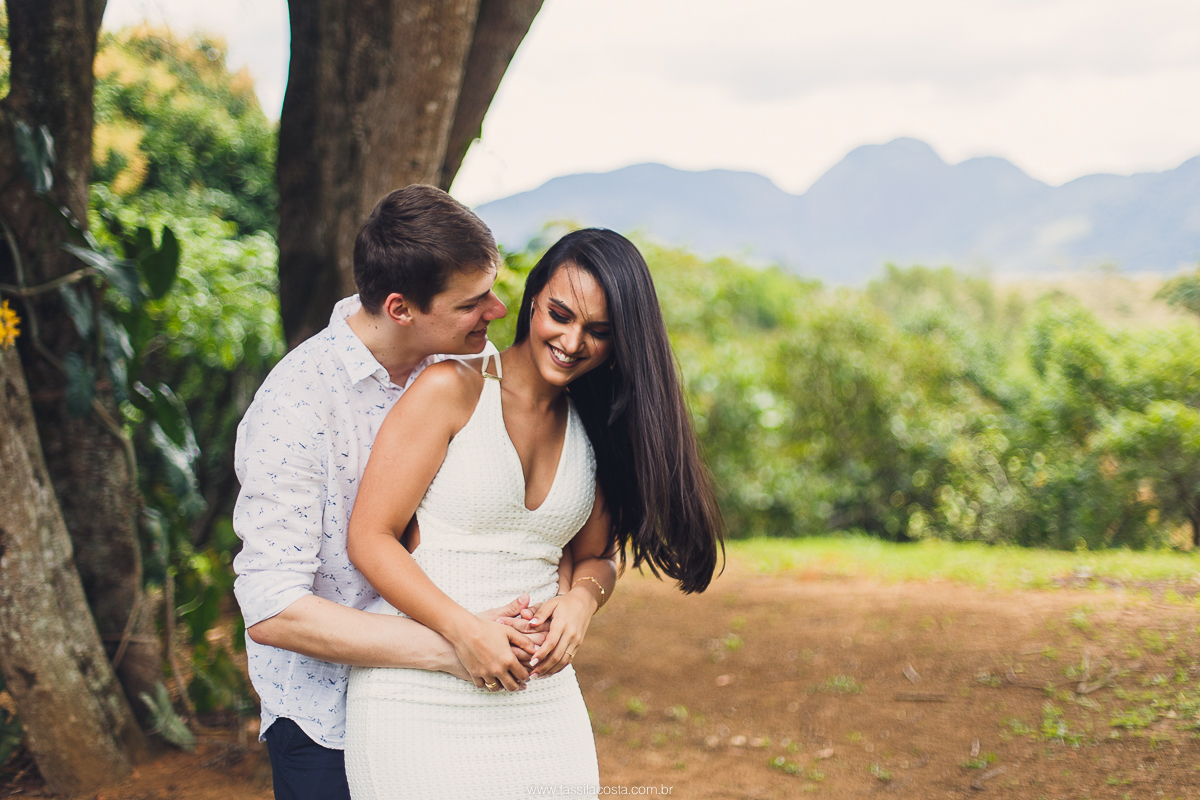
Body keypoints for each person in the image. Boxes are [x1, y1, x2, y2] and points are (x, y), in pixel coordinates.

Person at [343, 228, 724, 800]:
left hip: (540, 701)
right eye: (560, 314)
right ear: (533, 300)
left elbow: (597, 556)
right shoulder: (451, 390)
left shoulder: (596, 428)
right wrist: (464, 630)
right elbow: (370, 539)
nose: (572, 342)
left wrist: (580, 601)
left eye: (598, 331)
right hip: (419, 691)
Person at [231, 185, 583, 800]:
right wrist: (455, 643)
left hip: (473, 695)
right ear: (400, 309)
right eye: (473, 302)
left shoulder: (477, 366)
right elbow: (272, 606)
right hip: (328, 721)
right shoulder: (297, 404)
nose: (498, 312)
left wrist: (571, 601)